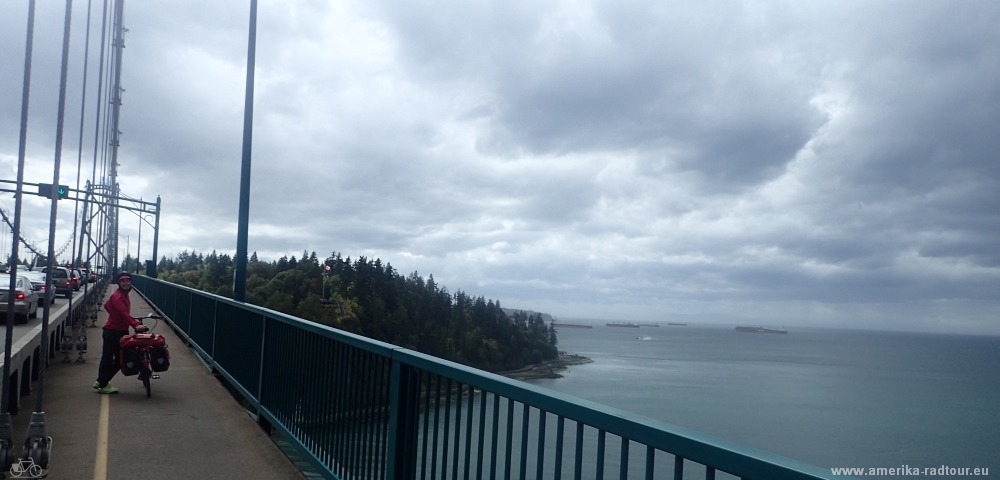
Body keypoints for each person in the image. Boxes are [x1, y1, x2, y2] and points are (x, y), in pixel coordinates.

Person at [94, 272, 147, 394]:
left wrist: (115, 315)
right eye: (123, 281)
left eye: (128, 281)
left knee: (107, 358)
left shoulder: (121, 295)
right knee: (121, 359)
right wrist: (136, 325)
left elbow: (107, 306)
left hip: (113, 329)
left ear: (130, 282)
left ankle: (100, 381)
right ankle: (103, 383)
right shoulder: (119, 297)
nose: (125, 283)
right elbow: (124, 313)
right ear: (118, 283)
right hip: (115, 331)